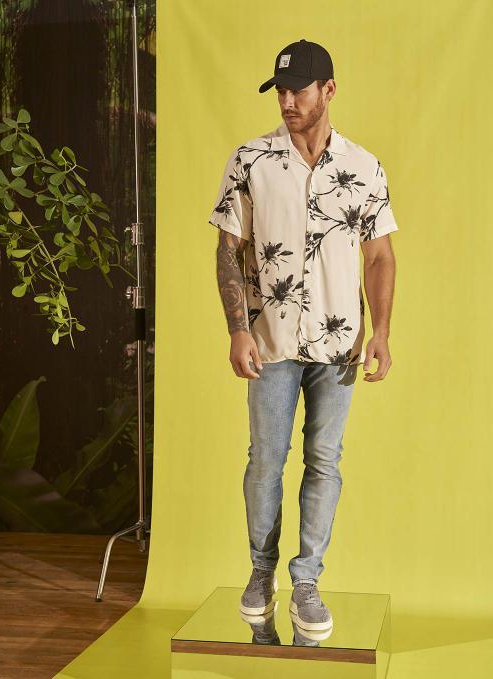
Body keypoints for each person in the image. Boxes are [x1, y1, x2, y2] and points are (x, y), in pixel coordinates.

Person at [208, 38, 399, 635]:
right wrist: (237, 329)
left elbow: (379, 256)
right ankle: (261, 572)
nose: (287, 101)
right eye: (281, 91)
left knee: (324, 461)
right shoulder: (250, 160)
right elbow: (229, 249)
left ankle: (307, 581)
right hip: (269, 343)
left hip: (338, 348)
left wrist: (382, 332)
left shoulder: (364, 168)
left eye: (298, 90)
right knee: (265, 461)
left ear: (329, 90)